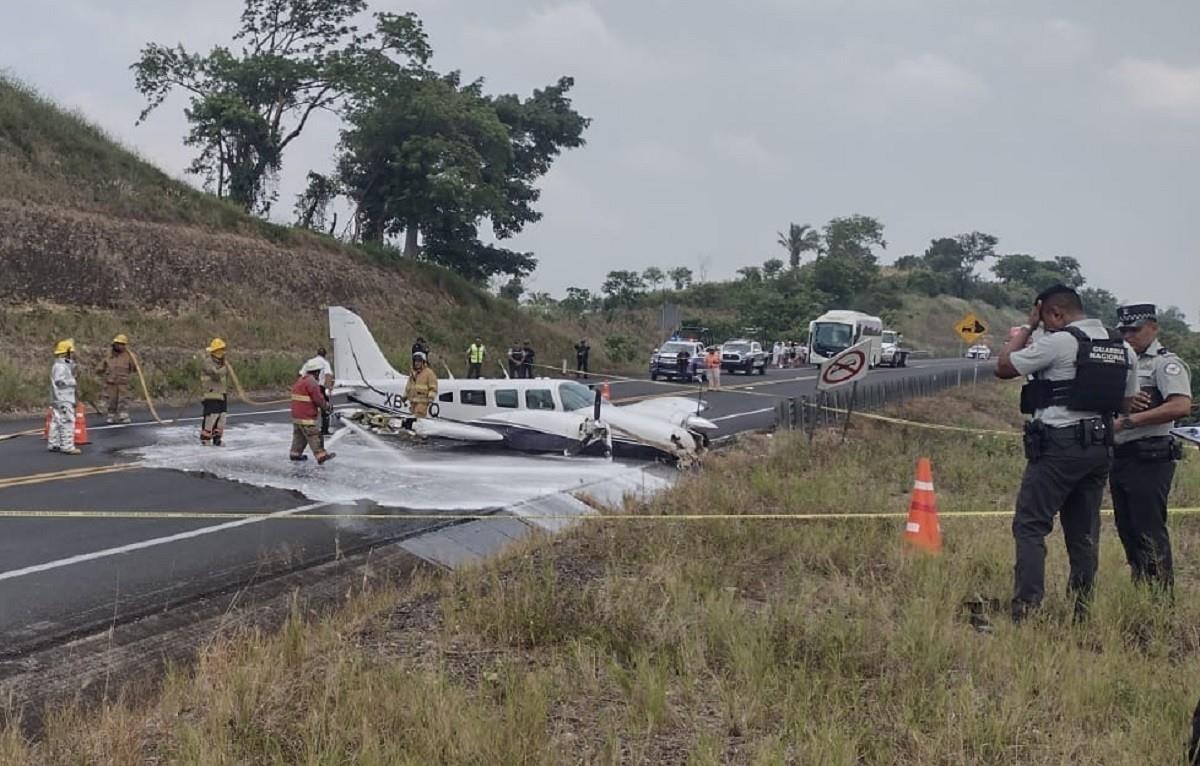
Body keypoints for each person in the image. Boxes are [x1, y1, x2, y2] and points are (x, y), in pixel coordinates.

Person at [994, 285, 1138, 621]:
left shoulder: (1059, 342)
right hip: (1100, 447)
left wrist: (1028, 327)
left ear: (1055, 313)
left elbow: (1003, 367)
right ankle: (1081, 613)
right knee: (1084, 532)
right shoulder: (1122, 348)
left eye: (1045, 318)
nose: (1045, 326)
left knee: (1030, 526)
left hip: (1058, 446)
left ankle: (1027, 610)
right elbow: (1126, 404)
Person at [1109, 303, 1192, 591]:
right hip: (1120, 456)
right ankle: (1142, 588)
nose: (1129, 335)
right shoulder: (1124, 361)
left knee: (1148, 530)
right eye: (1124, 330)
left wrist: (1130, 421)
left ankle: (1160, 597)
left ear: (1153, 328)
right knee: (1127, 529)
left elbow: (1180, 405)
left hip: (1150, 456)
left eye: (1136, 329)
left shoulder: (1165, 363)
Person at [289, 359, 335, 463]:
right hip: (306, 416)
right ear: (317, 372)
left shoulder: (300, 380)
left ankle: (295, 454)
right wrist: (327, 407)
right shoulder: (312, 383)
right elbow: (318, 399)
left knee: (299, 435)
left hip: (297, 416)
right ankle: (321, 456)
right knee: (314, 434)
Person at [48, 339, 80, 455]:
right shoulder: (61, 366)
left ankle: (54, 443)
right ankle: (67, 446)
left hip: (59, 398)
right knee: (67, 421)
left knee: (57, 421)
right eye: (71, 352)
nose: (73, 355)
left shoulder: (61, 365)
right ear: (66, 352)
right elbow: (60, 381)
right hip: (63, 398)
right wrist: (73, 381)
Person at [95, 333, 134, 424]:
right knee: (112, 400)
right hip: (111, 382)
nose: (120, 346)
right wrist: (99, 371)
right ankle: (111, 415)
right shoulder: (109, 355)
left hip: (123, 382)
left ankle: (123, 415)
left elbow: (134, 368)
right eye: (118, 344)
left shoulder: (129, 356)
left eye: (122, 344)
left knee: (123, 399)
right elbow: (101, 367)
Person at [200, 338, 230, 446]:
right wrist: (225, 368)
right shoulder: (208, 362)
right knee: (212, 416)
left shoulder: (223, 363)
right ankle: (205, 438)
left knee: (222, 417)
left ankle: (217, 439)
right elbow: (216, 375)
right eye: (220, 350)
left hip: (222, 393)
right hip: (211, 393)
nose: (221, 352)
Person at [299, 347, 335, 436]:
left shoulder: (309, 362)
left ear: (317, 353)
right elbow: (328, 375)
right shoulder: (325, 363)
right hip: (319, 387)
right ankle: (324, 429)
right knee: (325, 408)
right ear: (325, 355)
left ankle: (306, 428)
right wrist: (329, 388)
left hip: (307, 386)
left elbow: (301, 374)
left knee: (308, 408)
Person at [405, 352, 438, 418]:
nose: (416, 363)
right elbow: (408, 386)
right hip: (413, 403)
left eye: (419, 361)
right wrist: (404, 396)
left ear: (423, 362)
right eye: (415, 361)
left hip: (422, 403)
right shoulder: (413, 374)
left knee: (418, 419)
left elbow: (433, 388)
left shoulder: (429, 373)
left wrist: (430, 398)